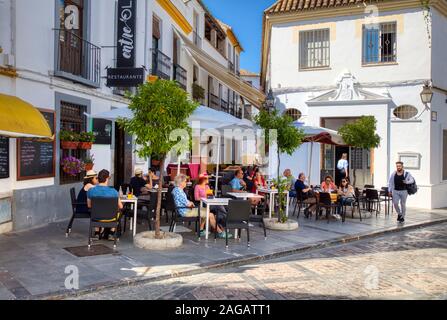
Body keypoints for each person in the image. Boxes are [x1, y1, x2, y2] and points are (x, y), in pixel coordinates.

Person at [173, 174, 230, 238]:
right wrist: (191, 203)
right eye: (185, 181)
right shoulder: (179, 191)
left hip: (185, 209)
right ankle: (220, 232)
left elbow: (185, 201)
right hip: (186, 211)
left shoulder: (177, 190)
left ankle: (201, 229)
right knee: (210, 214)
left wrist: (190, 203)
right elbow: (189, 203)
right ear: (181, 182)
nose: (187, 183)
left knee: (208, 210)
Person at [87, 170, 123, 239]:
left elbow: (89, 205)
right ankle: (111, 233)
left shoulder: (91, 191)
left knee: (95, 209)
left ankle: (97, 233)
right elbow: (120, 206)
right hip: (111, 218)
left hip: (96, 217)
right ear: (107, 178)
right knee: (120, 211)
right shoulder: (114, 191)